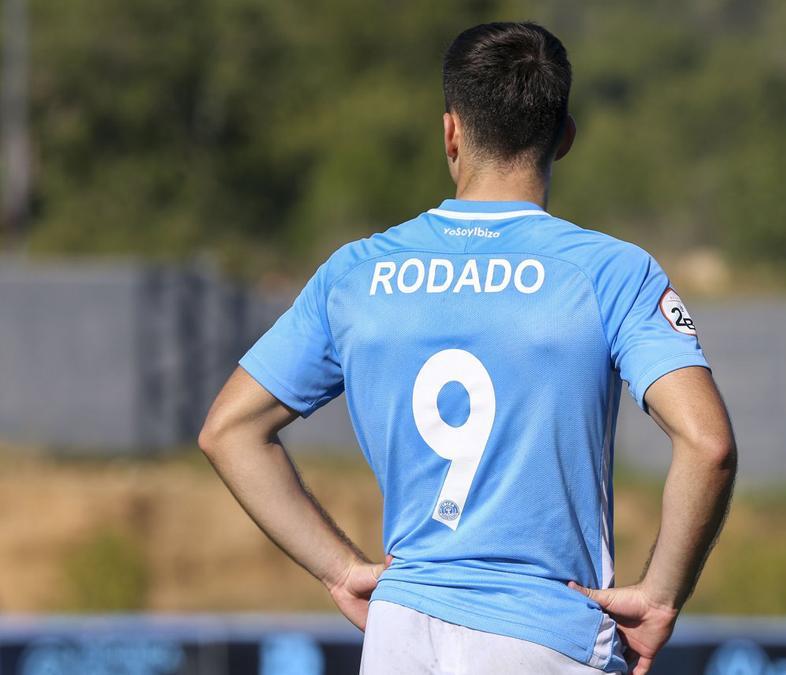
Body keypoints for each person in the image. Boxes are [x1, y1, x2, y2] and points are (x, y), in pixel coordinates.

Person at [198, 21, 737, 675]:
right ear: (563, 138)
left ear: (450, 131)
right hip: (547, 631)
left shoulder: (356, 272)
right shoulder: (612, 272)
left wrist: (339, 568)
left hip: (401, 634)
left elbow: (228, 430)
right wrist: (660, 594)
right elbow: (708, 445)